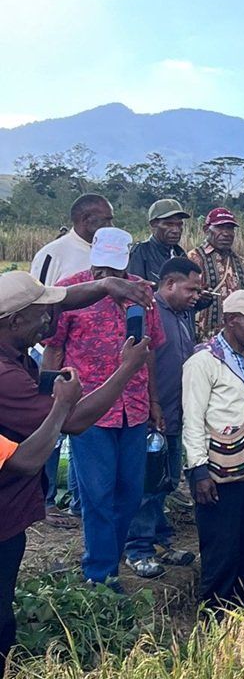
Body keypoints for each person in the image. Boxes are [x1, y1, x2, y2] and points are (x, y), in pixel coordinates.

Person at [0, 270, 152, 673]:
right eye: (41, 316)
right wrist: (127, 368)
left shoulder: (10, 343)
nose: (50, 323)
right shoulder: (6, 377)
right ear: (15, 322)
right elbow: (73, 423)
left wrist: (104, 286)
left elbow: (58, 302)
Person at [41, 228, 167, 589]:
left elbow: (150, 352)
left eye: (114, 270)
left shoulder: (143, 292)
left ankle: (110, 561)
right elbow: (52, 349)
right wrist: (49, 400)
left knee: (129, 493)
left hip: (134, 407)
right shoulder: (70, 292)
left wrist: (155, 401)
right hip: (88, 411)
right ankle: (100, 574)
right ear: (93, 262)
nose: (106, 278)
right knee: (97, 495)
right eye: (101, 270)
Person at [181, 290, 244, 609]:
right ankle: (216, 609)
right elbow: (192, 420)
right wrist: (199, 471)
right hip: (218, 467)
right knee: (221, 542)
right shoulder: (203, 362)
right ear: (231, 320)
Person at [31, 193, 115, 521]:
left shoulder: (108, 253)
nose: (111, 225)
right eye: (105, 220)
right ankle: (45, 500)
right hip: (54, 351)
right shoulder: (54, 254)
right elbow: (38, 300)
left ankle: (80, 501)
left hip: (89, 360)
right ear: (85, 221)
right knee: (48, 426)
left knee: (82, 429)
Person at [124, 258, 202, 579]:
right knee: (148, 483)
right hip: (154, 411)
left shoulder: (182, 314)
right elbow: (143, 361)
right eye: (191, 288)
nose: (197, 295)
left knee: (167, 480)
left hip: (176, 411)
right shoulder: (149, 312)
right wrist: (152, 404)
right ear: (169, 284)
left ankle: (160, 539)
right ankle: (138, 548)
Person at [187, 207, 244, 342]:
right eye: (220, 228)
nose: (226, 233)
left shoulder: (240, 261)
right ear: (206, 230)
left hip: (236, 339)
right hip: (203, 338)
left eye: (230, 228)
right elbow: (182, 298)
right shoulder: (193, 258)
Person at [30, 193, 113, 287]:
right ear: (86, 219)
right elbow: (40, 297)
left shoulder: (112, 251)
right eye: (106, 220)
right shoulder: (52, 254)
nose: (111, 226)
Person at [128, 199, 190, 284]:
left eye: (179, 224)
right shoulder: (140, 252)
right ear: (153, 224)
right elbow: (135, 288)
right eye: (169, 224)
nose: (176, 230)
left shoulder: (180, 253)